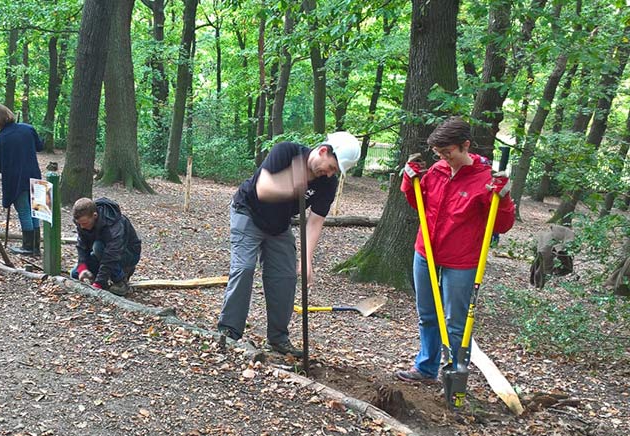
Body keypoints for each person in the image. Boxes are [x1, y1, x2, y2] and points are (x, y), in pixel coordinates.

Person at [217, 132, 361, 358]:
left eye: (335, 171)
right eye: (331, 167)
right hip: (248, 212)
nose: (330, 173)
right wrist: (294, 184)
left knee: (286, 276)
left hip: (279, 225)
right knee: (244, 268)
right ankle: (229, 332)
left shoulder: (328, 184)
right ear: (323, 151)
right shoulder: (286, 152)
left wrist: (306, 259)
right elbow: (263, 189)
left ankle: (278, 339)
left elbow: (314, 222)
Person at [396, 116, 515, 384]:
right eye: (439, 153)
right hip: (425, 252)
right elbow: (419, 204)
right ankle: (425, 368)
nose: (443, 158)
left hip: (461, 260)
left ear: (465, 146)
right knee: (427, 314)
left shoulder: (485, 181)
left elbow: (503, 224)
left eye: (448, 153)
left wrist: (504, 197)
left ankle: (454, 376)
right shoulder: (437, 171)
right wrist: (409, 180)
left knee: (456, 322)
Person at [0, 104, 44, 255]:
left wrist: (7, 169)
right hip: (33, 174)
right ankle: (35, 246)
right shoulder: (28, 129)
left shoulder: (2, 138)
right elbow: (39, 146)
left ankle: (28, 247)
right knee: (35, 211)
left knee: (24, 211)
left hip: (16, 179)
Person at [70, 197, 142, 297]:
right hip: (102, 254)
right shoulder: (83, 221)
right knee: (74, 274)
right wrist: (82, 268)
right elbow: (82, 245)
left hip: (128, 254)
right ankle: (101, 275)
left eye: (84, 223)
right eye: (79, 224)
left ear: (94, 216)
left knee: (98, 246)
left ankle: (121, 281)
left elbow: (112, 254)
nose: (82, 227)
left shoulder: (113, 223)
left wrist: (99, 283)